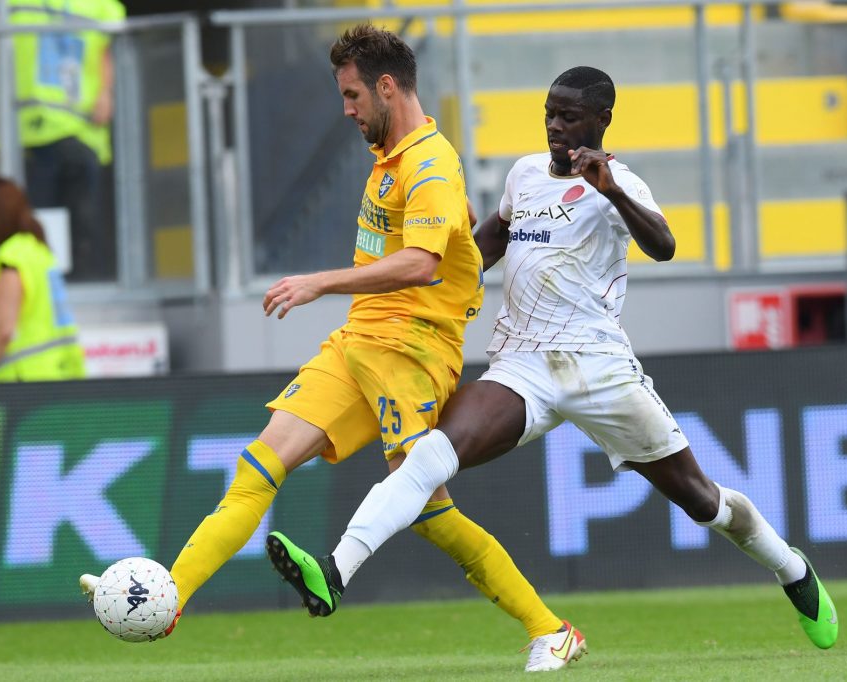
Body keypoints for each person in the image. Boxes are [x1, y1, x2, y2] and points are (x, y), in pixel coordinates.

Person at [268, 66, 840, 654]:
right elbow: (491, 241)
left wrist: (610, 189)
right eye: (549, 113)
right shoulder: (524, 175)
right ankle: (336, 571)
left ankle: (790, 568)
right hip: (524, 365)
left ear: (601, 120)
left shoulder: (620, 183)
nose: (555, 126)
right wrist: (443, 272)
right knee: (427, 458)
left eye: (568, 116)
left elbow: (665, 246)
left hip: (600, 368)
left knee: (702, 501)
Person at [79, 25, 584, 672]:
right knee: (257, 467)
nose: (346, 109)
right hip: (358, 343)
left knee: (429, 511)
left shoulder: (430, 164)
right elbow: (439, 240)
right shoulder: (391, 158)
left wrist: (320, 282)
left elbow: (421, 263)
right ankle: (167, 599)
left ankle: (551, 629)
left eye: (352, 95)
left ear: (386, 86)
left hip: (413, 351)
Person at [8, 0, 125, 281]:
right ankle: (42, 283)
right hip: (30, 136)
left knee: (83, 223)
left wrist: (106, 92)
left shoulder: (102, 6)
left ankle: (85, 283)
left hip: (81, 131)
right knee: (35, 223)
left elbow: (108, 52)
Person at [0, 177, 86, 381]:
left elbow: (3, 331)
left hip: (23, 381)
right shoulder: (38, 252)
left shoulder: (13, 259)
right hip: (58, 375)